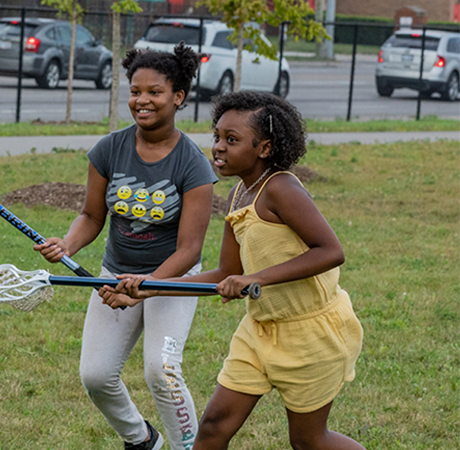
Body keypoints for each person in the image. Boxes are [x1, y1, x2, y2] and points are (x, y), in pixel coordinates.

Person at [102, 91, 365, 450]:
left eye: (232, 140)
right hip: (258, 331)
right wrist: (151, 287)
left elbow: (331, 251)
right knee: (212, 427)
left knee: (308, 441)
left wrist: (256, 278)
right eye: (217, 137)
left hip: (310, 333)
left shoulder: (282, 188)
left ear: (265, 148)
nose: (219, 147)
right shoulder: (240, 194)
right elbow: (226, 272)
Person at [34, 43, 216, 450]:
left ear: (178, 97)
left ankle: (188, 446)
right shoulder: (108, 149)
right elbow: (92, 216)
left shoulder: (194, 165)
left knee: (162, 370)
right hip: (115, 273)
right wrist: (68, 243)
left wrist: (145, 288)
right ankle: (141, 439)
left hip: (172, 278)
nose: (142, 100)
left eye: (155, 92)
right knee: (96, 376)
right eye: (136, 91)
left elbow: (189, 250)